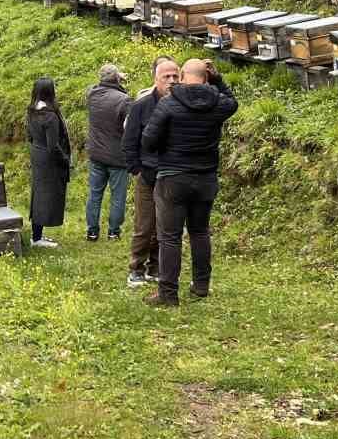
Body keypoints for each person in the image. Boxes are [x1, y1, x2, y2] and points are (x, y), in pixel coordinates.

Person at [141, 58, 238, 307]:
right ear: (205, 77)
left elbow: (149, 140)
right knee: (200, 232)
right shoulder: (217, 103)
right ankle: (202, 284)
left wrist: (166, 148)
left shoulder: (169, 103)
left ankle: (168, 292)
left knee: (170, 237)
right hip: (205, 176)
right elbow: (233, 102)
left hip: (173, 176)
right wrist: (217, 79)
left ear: (182, 76)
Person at [122, 57, 180, 287]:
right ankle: (136, 267)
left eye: (175, 76)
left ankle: (155, 267)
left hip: (172, 175)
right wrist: (137, 169)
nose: (171, 80)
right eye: (166, 76)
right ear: (156, 79)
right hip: (148, 175)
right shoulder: (141, 106)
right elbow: (129, 142)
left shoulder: (181, 105)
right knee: (144, 226)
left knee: (164, 226)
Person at [84, 63, 130, 242]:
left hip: (96, 153)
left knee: (94, 194)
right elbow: (130, 124)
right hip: (117, 156)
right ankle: (113, 232)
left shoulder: (92, 94)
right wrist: (122, 84)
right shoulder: (123, 99)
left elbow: (97, 86)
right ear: (117, 78)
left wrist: (116, 77)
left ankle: (92, 232)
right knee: (117, 197)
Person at [26, 76, 71, 249]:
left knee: (38, 194)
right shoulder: (50, 116)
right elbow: (53, 146)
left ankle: (36, 235)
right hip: (48, 160)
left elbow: (30, 137)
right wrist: (65, 159)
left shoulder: (31, 111)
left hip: (37, 156)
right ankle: (37, 239)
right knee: (45, 197)